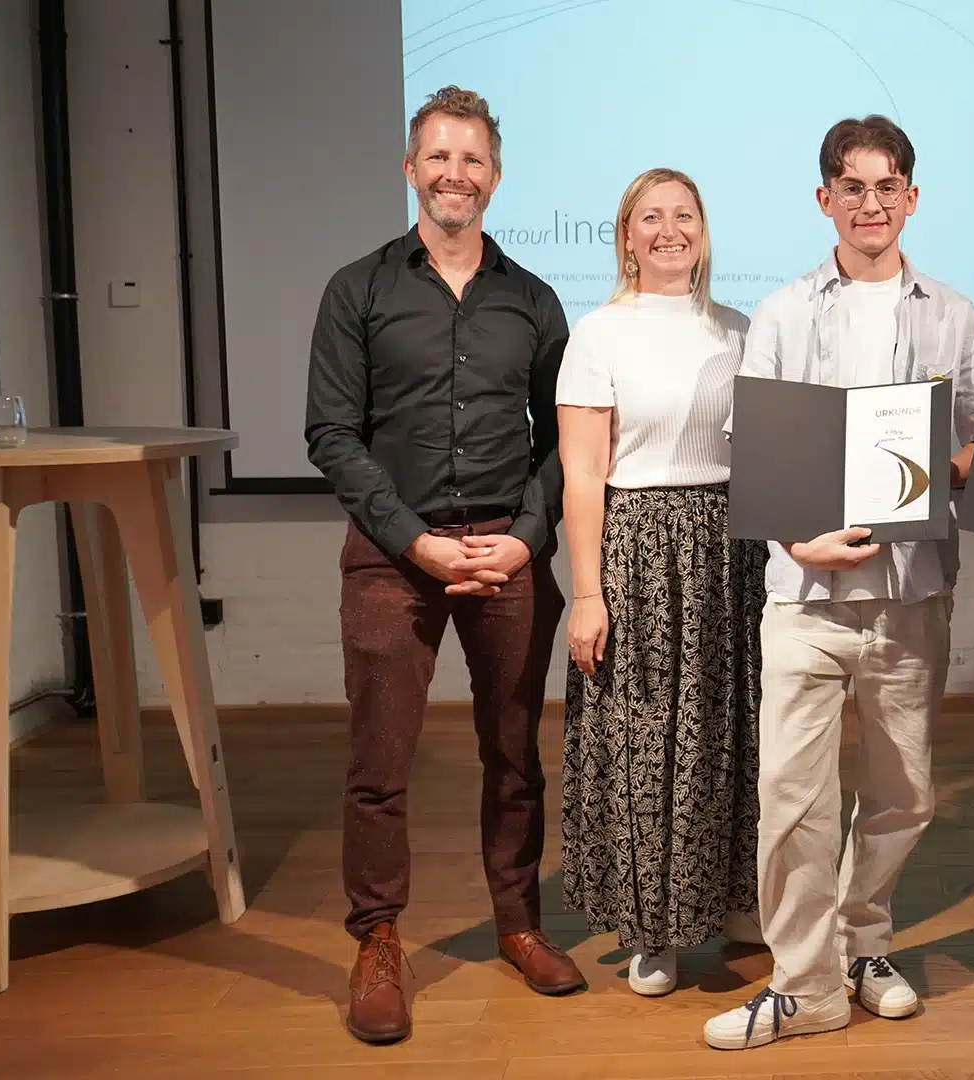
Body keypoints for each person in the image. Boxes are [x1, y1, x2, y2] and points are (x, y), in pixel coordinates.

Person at [702, 114, 974, 1052]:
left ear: (912, 197)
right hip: (805, 595)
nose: (873, 203)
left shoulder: (952, 314)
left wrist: (947, 467)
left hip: (913, 591)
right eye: (854, 187)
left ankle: (865, 945)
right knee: (793, 800)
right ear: (825, 198)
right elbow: (754, 447)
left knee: (904, 794)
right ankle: (805, 986)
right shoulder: (786, 312)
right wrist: (800, 539)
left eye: (888, 185)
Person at [303, 85, 586, 1046]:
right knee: (378, 763)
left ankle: (518, 923)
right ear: (411, 168)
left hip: (508, 549)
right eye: (439, 157)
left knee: (513, 755)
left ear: (494, 177)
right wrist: (413, 540)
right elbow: (332, 433)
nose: (454, 174)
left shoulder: (534, 300)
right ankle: (378, 939)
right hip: (395, 556)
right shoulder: (358, 291)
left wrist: (528, 536)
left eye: (472, 159)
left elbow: (566, 440)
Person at [553, 167, 766, 997]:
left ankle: (735, 900)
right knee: (644, 735)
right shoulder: (598, 334)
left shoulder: (741, 330)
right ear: (626, 236)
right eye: (651, 217)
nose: (669, 230)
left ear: (703, 232)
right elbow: (582, 474)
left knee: (729, 728)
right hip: (638, 552)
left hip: (731, 547)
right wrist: (587, 592)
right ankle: (653, 926)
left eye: (684, 215)